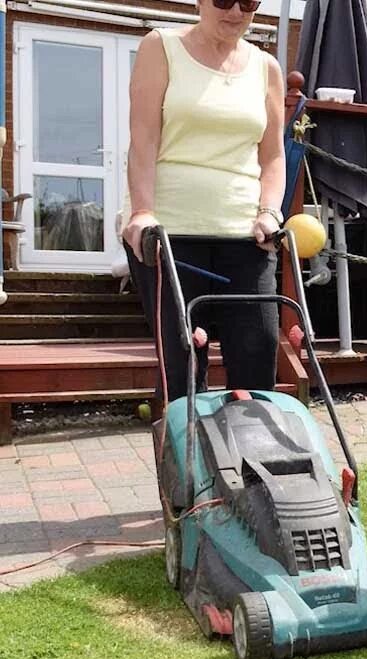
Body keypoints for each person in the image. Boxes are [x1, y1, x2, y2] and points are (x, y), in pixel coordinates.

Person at [121, 0, 285, 403]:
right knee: (182, 364)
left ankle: (248, 462)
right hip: (170, 236)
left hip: (247, 236)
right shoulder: (160, 48)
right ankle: (184, 462)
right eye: (224, 0)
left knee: (257, 352)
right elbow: (143, 139)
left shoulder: (266, 68)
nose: (236, 11)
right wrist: (142, 212)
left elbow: (273, 155)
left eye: (248, 2)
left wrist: (269, 211)